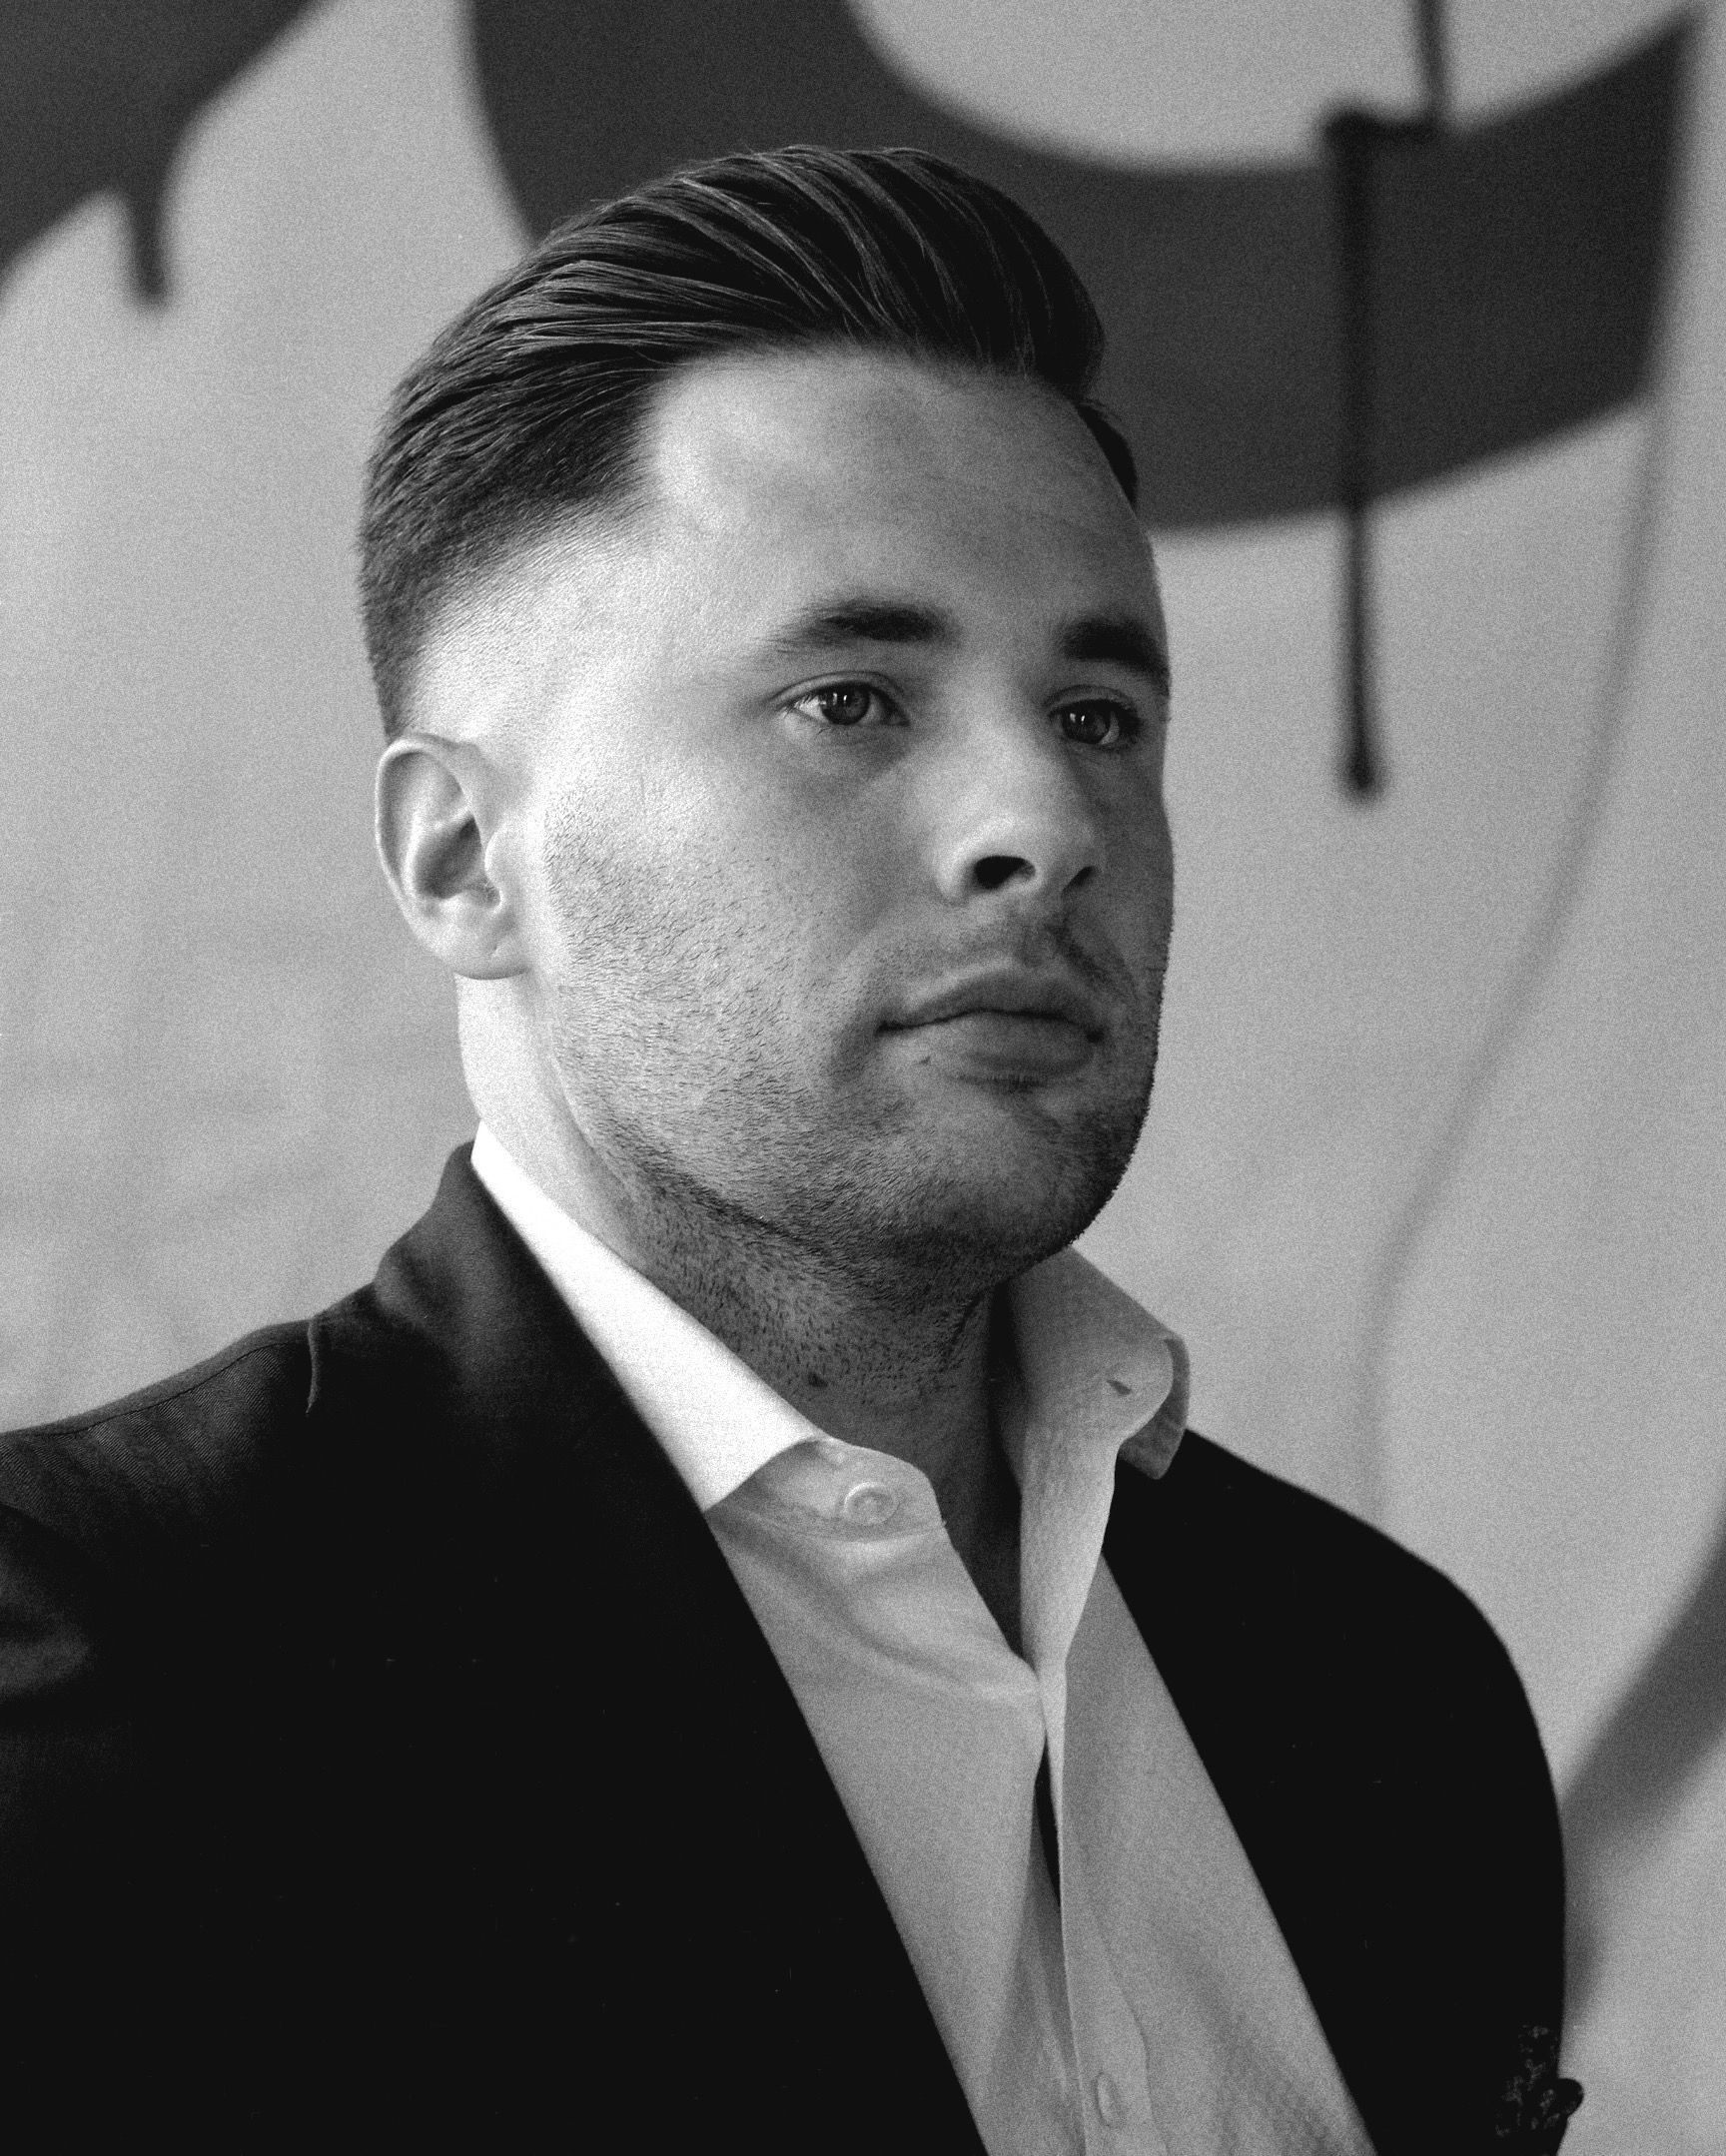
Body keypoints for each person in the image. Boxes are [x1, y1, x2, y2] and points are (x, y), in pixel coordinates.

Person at [0, 147, 1579, 2155]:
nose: (1043, 824)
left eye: (1099, 715)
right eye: (851, 700)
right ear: (465, 858)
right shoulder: (114, 1665)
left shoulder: (1391, 1692)